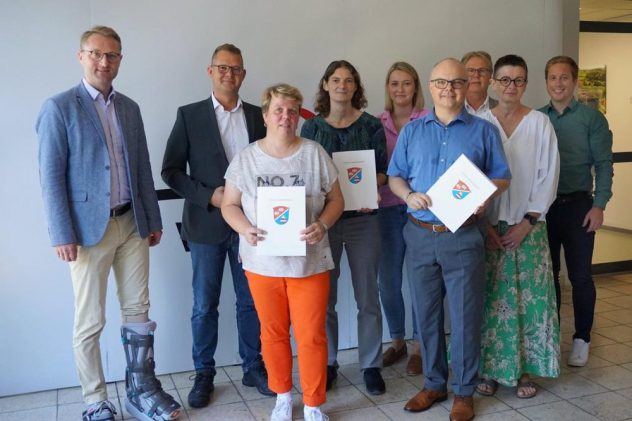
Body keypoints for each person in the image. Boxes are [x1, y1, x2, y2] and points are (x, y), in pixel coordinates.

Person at [36, 26, 181, 421]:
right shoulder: (59, 108)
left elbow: (142, 167)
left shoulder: (129, 108)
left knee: (138, 310)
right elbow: (50, 177)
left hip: (132, 223)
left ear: (120, 59)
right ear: (81, 56)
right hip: (86, 232)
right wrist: (61, 233)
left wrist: (151, 218)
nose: (104, 61)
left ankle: (140, 392)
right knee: (90, 320)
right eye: (96, 54)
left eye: (112, 55)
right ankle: (95, 400)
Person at [388, 58, 510, 421]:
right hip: (420, 234)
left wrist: (484, 196)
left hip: (463, 235)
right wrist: (408, 195)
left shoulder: (484, 131)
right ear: (431, 85)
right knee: (426, 315)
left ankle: (464, 391)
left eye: (456, 82)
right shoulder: (412, 131)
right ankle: (434, 384)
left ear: (467, 86)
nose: (449, 89)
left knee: (464, 316)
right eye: (442, 82)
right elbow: (395, 177)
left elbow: (502, 176)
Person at [221, 83, 344, 421]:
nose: (285, 117)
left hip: (309, 263)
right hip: (262, 264)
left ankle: (314, 403)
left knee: (311, 335)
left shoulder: (314, 153)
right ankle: (283, 396)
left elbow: (337, 200)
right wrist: (244, 228)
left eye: (291, 111)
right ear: (265, 115)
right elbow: (229, 205)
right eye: (278, 110)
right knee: (273, 334)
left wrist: (323, 224)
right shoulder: (246, 158)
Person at [161, 43, 273, 407]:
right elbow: (171, 171)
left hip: (251, 227)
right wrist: (209, 196)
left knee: (251, 302)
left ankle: (253, 367)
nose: (229, 74)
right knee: (204, 305)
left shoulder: (258, 116)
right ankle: (204, 373)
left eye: (236, 68)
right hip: (206, 226)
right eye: (222, 67)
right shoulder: (189, 115)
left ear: (243, 74)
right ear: (211, 72)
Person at [301, 60, 388, 396]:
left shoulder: (371, 125)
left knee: (368, 296)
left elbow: (383, 172)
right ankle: (328, 363)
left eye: (349, 80)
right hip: (325, 223)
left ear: (356, 86)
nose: (342, 85)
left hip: (364, 221)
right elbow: (306, 175)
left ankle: (371, 365)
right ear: (325, 84)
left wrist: (369, 189)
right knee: (325, 298)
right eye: (336, 79)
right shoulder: (311, 129)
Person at [476, 54, 560, 399]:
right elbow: (470, 178)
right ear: (493, 83)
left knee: (529, 302)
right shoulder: (480, 123)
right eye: (505, 79)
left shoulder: (540, 123)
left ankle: (525, 370)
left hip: (529, 228)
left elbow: (548, 177)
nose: (511, 86)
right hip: (488, 227)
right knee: (492, 298)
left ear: (526, 83)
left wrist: (528, 222)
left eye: (519, 80)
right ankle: (490, 368)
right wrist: (484, 225)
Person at [539, 56, 613, 367]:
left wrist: (599, 205)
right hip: (544, 209)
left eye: (564, 77)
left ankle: (582, 338)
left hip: (580, 207)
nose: (558, 83)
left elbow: (604, 164)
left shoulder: (591, 119)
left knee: (580, 276)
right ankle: (551, 338)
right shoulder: (537, 118)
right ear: (546, 82)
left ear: (574, 81)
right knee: (549, 275)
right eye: (553, 78)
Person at [377, 62, 428, 375]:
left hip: (419, 210)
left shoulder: (429, 120)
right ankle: (397, 341)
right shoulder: (376, 123)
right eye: (394, 83)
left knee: (421, 280)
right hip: (385, 209)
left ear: (416, 87)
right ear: (388, 87)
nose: (400, 89)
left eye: (406, 83)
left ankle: (419, 346)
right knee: (388, 281)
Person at [461, 51, 498, 116]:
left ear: (490, 76)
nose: (476, 75)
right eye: (471, 70)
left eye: (482, 70)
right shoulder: (451, 108)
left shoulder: (503, 109)